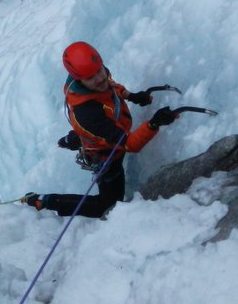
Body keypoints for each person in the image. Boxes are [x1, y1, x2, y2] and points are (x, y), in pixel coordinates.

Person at [21, 41, 177, 218]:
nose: (99, 78)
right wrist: (154, 124)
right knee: (106, 206)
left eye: (99, 71)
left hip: (103, 130)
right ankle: (45, 200)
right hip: (107, 154)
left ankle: (75, 138)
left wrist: (132, 96)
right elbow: (129, 145)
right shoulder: (87, 113)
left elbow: (111, 86)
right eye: (90, 77)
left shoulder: (95, 74)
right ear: (79, 80)